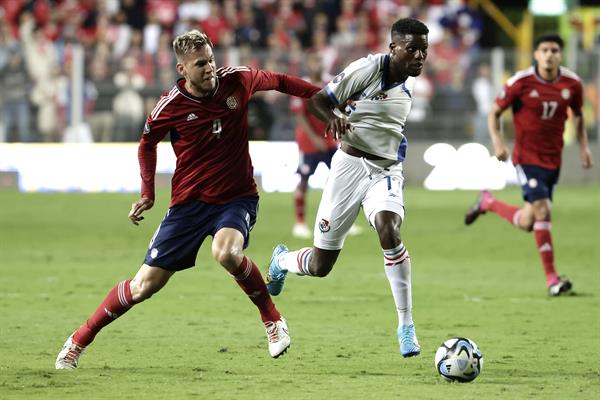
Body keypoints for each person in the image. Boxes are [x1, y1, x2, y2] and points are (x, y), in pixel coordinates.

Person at [55, 30, 320, 369]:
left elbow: (281, 81)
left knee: (226, 252)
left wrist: (325, 96)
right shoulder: (170, 106)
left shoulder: (238, 80)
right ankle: (79, 340)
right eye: (200, 64)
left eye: (210, 60)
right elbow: (146, 144)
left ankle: (273, 320)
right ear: (182, 68)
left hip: (236, 198)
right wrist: (148, 192)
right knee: (142, 286)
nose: (209, 68)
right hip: (188, 205)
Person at [266, 18, 429, 358]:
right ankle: (282, 260)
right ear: (393, 48)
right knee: (321, 265)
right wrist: (334, 119)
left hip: (384, 171)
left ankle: (406, 325)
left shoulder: (411, 83)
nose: (419, 57)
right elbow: (319, 101)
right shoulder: (368, 69)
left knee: (389, 230)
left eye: (423, 50)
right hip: (348, 169)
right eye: (411, 49)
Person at [464, 33, 594, 296]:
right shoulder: (520, 82)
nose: (549, 54)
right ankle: (552, 280)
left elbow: (578, 116)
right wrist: (499, 144)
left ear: (561, 54)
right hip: (526, 158)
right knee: (543, 211)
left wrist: (583, 147)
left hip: (552, 160)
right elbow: (495, 112)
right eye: (544, 50)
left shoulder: (572, 83)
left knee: (528, 221)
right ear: (536, 54)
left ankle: (488, 202)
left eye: (554, 50)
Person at [290, 50, 342, 239]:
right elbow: (300, 116)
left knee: (340, 180)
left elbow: (338, 109)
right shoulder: (301, 85)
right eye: (314, 61)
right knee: (304, 180)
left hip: (329, 141)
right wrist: (314, 139)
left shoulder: (331, 83)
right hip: (308, 143)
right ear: (308, 63)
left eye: (320, 60)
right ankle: (300, 222)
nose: (318, 65)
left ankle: (341, 222)